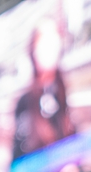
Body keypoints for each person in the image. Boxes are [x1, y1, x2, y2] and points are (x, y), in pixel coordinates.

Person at [13, 17, 75, 161]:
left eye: (53, 38)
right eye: (44, 40)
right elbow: (19, 158)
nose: (51, 46)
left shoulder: (63, 91)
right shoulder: (24, 103)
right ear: (33, 49)